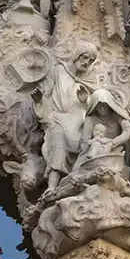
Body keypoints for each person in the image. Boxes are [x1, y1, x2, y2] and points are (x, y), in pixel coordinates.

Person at [35, 42, 100, 191]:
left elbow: (96, 105)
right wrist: (39, 100)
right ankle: (52, 187)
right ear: (77, 55)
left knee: (90, 144)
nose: (86, 63)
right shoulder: (58, 71)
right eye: (84, 58)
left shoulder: (91, 78)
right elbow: (47, 94)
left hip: (79, 121)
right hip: (58, 118)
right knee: (58, 142)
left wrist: (86, 100)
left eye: (90, 61)